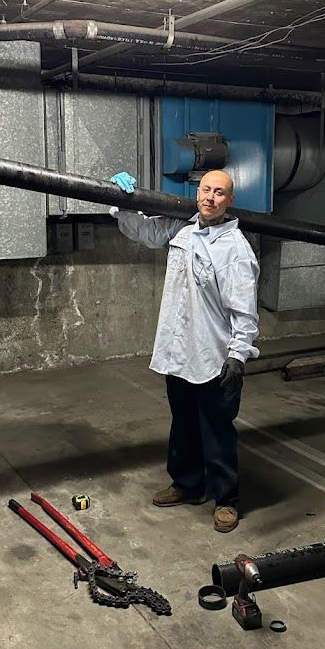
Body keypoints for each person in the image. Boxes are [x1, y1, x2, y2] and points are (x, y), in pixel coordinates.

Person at [110, 168, 260, 532]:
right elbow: (140, 230)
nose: (210, 197)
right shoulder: (182, 229)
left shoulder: (235, 250)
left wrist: (238, 355)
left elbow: (245, 311)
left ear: (230, 200)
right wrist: (118, 198)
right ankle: (188, 485)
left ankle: (226, 499)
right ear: (197, 193)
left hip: (213, 356)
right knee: (184, 424)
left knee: (217, 429)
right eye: (205, 190)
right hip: (179, 350)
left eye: (219, 192)